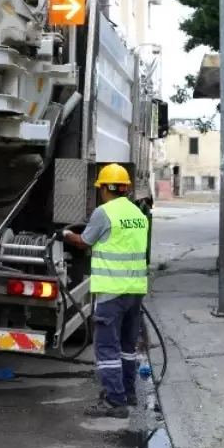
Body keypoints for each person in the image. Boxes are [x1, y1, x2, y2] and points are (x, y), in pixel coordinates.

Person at [64, 163, 150, 418]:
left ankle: (115, 401)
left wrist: (67, 234)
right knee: (127, 346)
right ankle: (128, 393)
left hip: (111, 292)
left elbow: (84, 242)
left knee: (107, 349)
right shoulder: (139, 214)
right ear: (125, 188)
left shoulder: (103, 213)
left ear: (103, 188)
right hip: (135, 291)